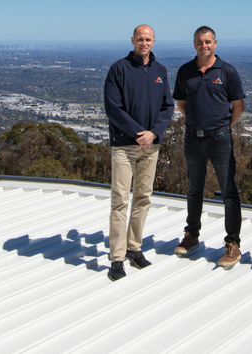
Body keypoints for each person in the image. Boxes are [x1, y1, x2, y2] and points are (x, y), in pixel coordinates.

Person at [103, 24, 174, 281]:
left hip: (150, 146)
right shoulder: (118, 69)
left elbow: (168, 106)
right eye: (140, 39)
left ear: (154, 41)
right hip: (124, 145)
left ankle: (134, 248)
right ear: (132, 40)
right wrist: (138, 133)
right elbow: (113, 108)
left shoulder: (160, 71)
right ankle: (117, 258)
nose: (144, 43)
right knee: (120, 200)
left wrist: (153, 134)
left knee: (143, 198)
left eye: (148, 39)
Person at [172, 26, 245, 269]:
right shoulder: (185, 71)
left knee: (228, 191)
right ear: (194, 44)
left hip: (220, 140)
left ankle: (233, 244)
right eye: (199, 42)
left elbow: (239, 107)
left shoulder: (228, 71)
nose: (203, 46)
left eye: (207, 42)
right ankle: (192, 235)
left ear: (215, 43)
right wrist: (196, 123)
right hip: (193, 138)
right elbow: (181, 103)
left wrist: (222, 128)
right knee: (194, 188)